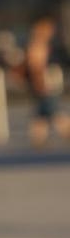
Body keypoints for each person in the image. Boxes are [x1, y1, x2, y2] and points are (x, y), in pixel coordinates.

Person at [25, 15, 70, 146]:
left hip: (46, 82)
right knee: (52, 109)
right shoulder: (38, 45)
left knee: (43, 111)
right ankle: (66, 131)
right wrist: (40, 83)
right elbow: (36, 67)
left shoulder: (45, 44)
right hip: (44, 83)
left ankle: (38, 138)